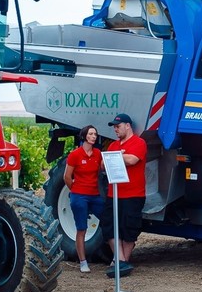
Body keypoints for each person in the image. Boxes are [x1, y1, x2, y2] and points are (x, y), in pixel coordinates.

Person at [101, 113, 147, 278]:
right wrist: (117, 156)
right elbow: (103, 163)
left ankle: (122, 262)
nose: (115, 129)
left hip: (133, 194)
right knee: (109, 227)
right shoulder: (113, 145)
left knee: (129, 229)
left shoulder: (139, 142)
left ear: (128, 126)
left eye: (118, 126)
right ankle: (121, 261)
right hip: (113, 194)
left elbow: (133, 159)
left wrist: (116, 157)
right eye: (114, 126)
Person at [63, 125, 104, 273]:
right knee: (82, 229)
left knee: (107, 219)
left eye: (95, 134)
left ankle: (116, 257)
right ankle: (83, 262)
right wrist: (75, 190)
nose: (94, 136)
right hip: (79, 196)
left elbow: (103, 168)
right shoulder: (75, 155)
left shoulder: (98, 154)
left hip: (94, 195)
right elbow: (67, 176)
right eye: (91, 134)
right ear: (85, 136)